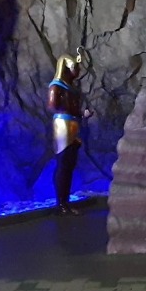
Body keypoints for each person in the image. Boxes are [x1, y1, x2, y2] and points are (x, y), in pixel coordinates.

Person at [46, 48, 92, 215]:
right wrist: (77, 112)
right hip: (63, 125)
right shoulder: (56, 86)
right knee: (64, 163)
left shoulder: (68, 87)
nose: (77, 72)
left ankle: (65, 201)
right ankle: (61, 203)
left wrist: (81, 114)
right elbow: (53, 106)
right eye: (75, 68)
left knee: (69, 164)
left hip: (71, 125)